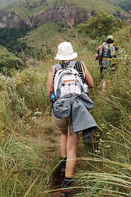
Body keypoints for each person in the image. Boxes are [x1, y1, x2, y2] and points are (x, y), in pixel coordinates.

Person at [47, 42, 95, 196]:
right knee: (73, 146)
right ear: (72, 54)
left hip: (60, 109)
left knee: (63, 134)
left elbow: (50, 91)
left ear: (59, 55)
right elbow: (91, 84)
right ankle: (67, 184)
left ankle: (63, 164)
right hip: (77, 108)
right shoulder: (80, 65)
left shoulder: (53, 69)